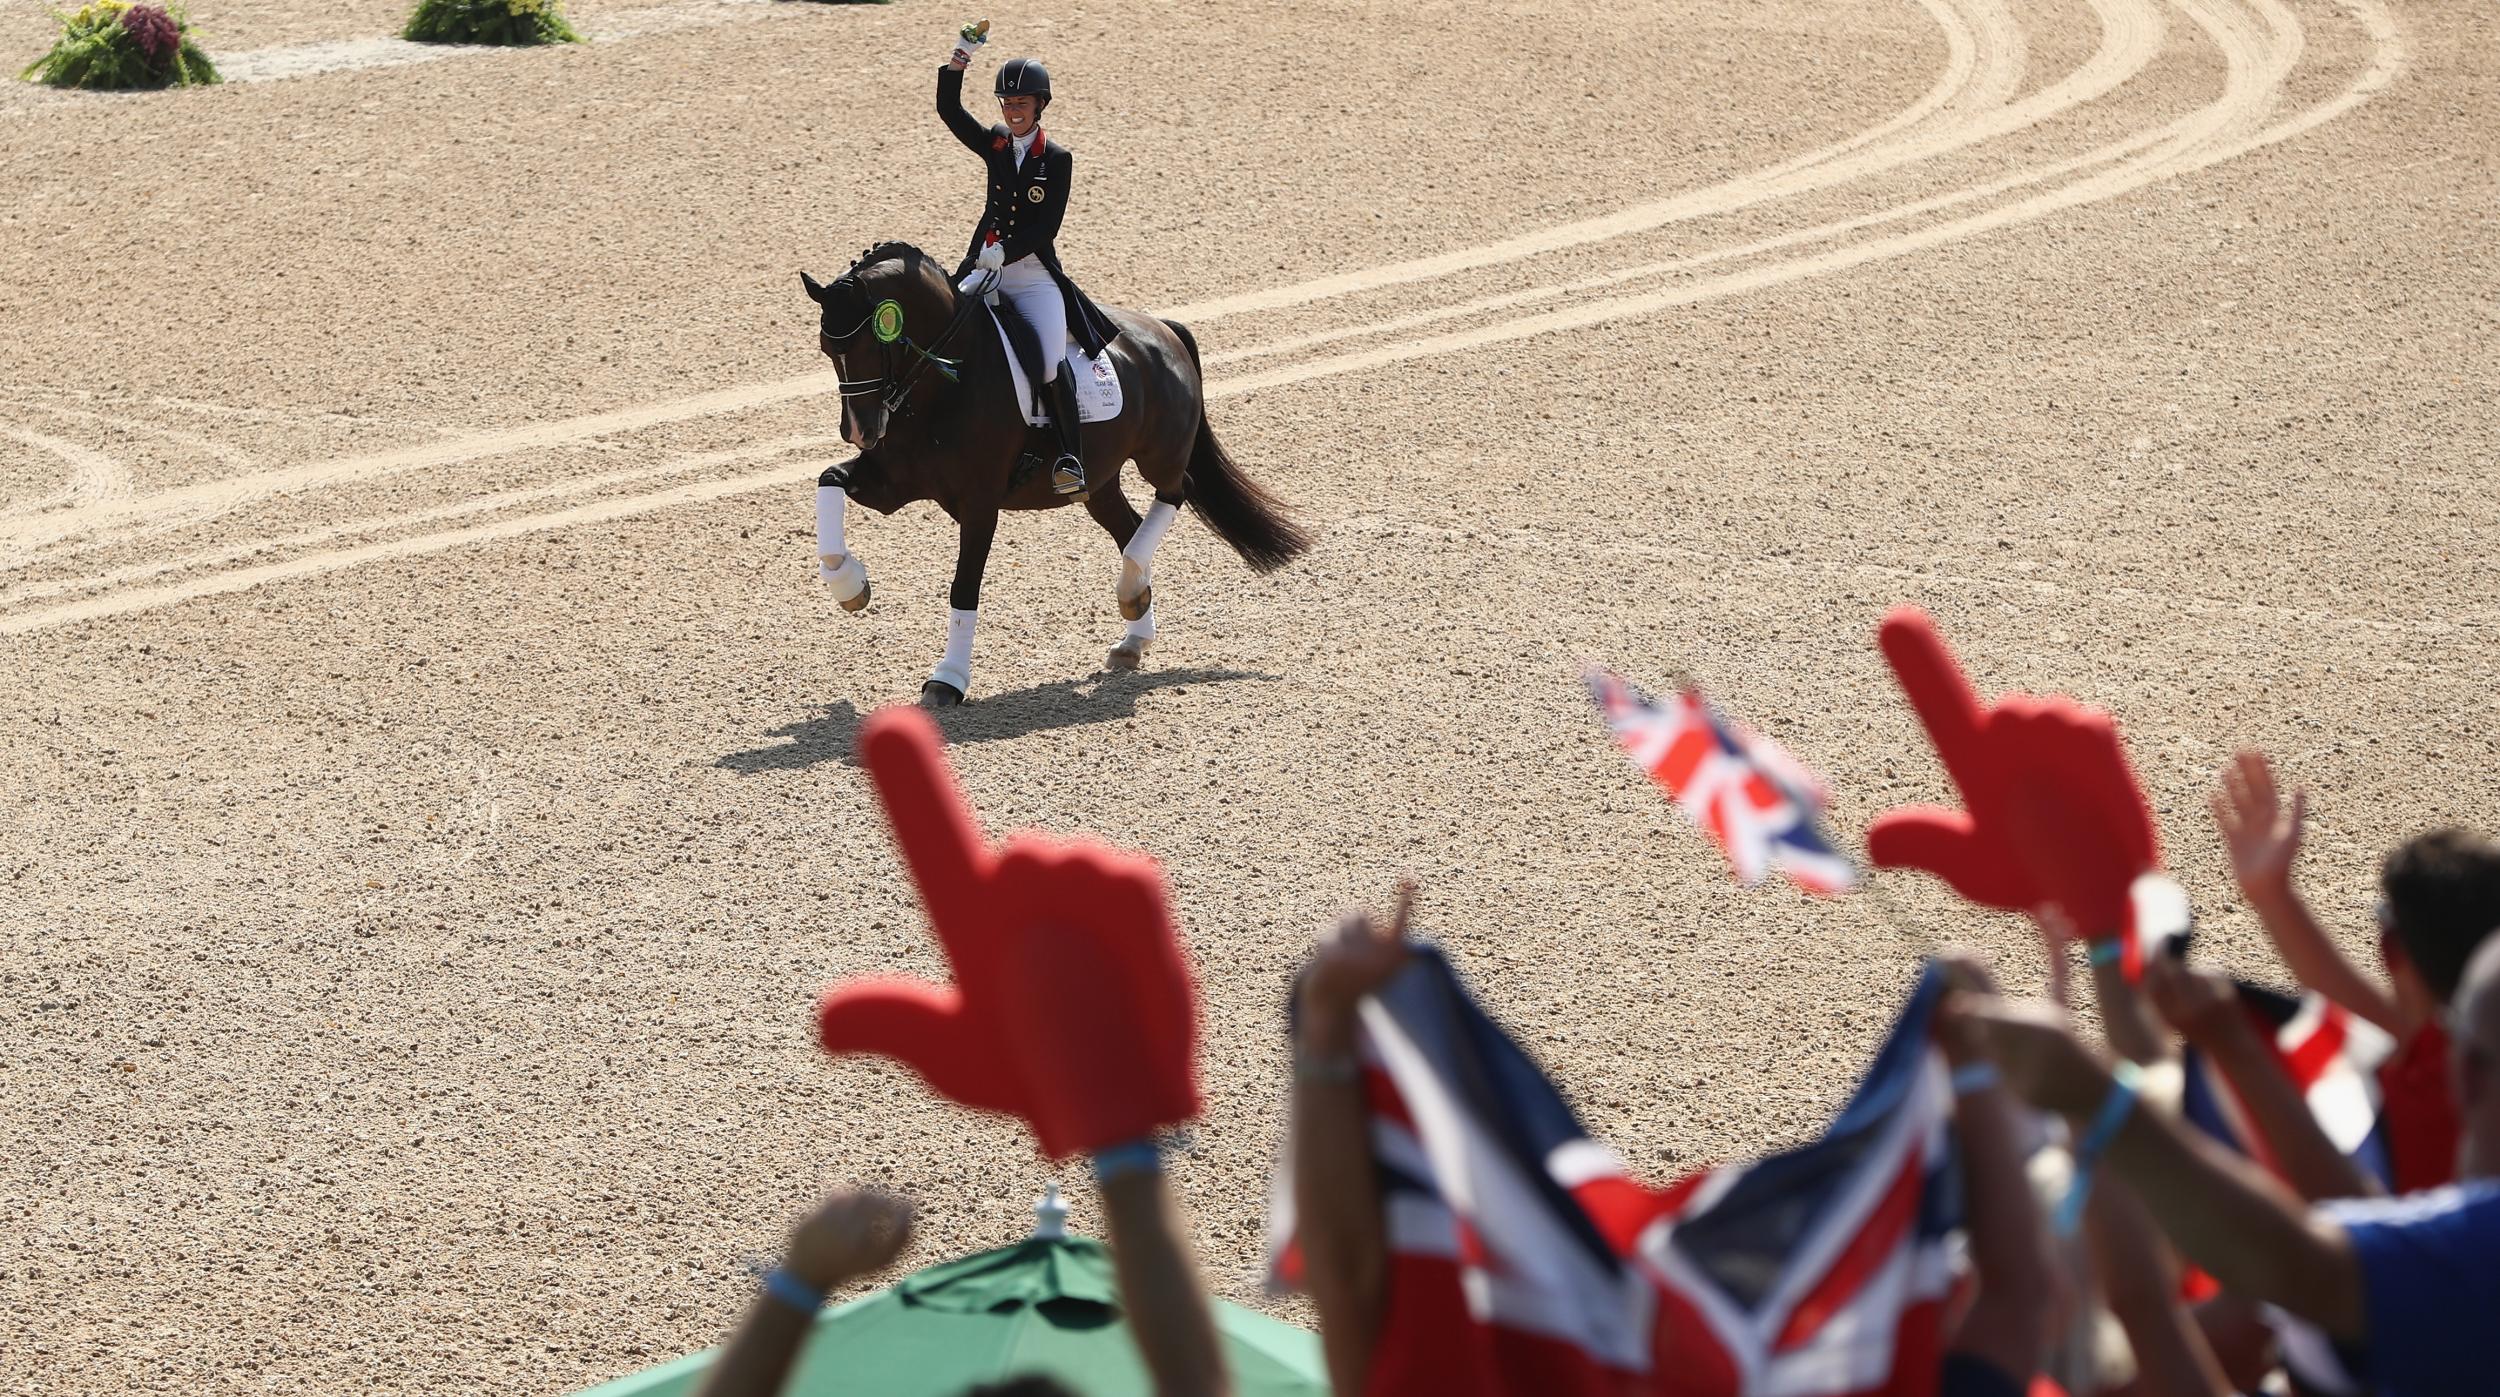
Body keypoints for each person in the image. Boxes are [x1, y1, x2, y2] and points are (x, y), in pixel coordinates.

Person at [1955, 933, 2500, 1397]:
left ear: (2469, 1072)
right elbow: (2348, 1228)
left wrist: (2097, 1109)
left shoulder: (2476, 1256)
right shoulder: (2444, 1265)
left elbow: (2304, 1268)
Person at [2211, 751, 2500, 1189]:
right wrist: (2273, 896)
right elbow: (2389, 1023)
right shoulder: (2465, 1055)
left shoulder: (2427, 1097)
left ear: (2391, 952)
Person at [939, 19, 1122, 497]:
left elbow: (1046, 227)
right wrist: (961, 56)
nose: (1013, 110)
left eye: (1021, 103)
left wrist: (1006, 250)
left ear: (1040, 105)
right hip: (985, 272)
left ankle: (1069, 456)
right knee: (943, 336)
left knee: (1046, 362)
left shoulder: (1056, 159)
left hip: (1033, 277)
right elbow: (948, 109)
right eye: (1007, 102)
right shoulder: (997, 142)